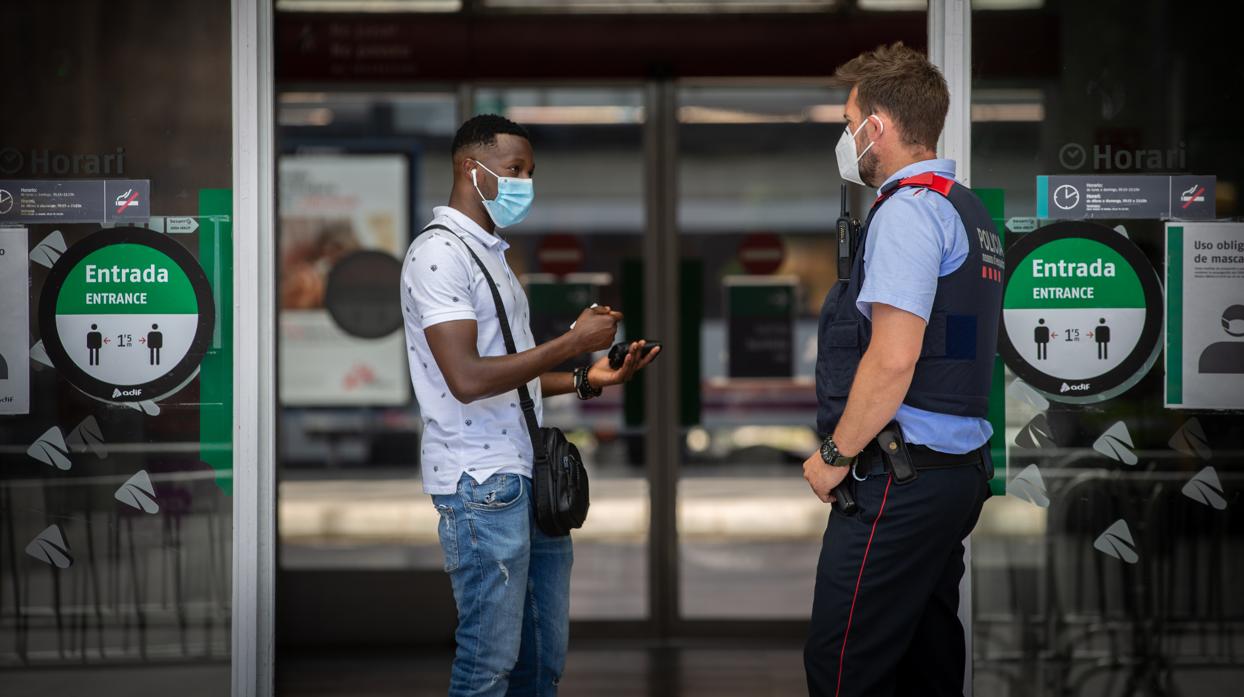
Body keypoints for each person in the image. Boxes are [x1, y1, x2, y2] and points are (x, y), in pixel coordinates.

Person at [399, 114, 659, 697]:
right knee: (488, 663)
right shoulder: (438, 256)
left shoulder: (489, 253)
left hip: (523, 475)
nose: (524, 184)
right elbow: (466, 378)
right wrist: (572, 342)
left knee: (541, 662)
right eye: (515, 170)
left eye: (530, 172)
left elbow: (510, 377)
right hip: (480, 481)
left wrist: (588, 378)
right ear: (473, 168)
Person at [803, 43, 1004, 697]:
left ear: (877, 127)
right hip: (953, 477)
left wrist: (836, 452)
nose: (847, 138)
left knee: (842, 668)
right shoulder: (969, 213)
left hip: (900, 481)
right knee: (926, 665)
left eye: (848, 120)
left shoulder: (908, 213)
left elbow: (894, 356)